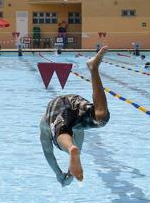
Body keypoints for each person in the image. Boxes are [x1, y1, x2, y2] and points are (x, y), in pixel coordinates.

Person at [39, 46, 110, 186]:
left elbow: (48, 152)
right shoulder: (78, 130)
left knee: (63, 133)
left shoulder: (44, 125)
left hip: (57, 105)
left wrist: (58, 174)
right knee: (101, 118)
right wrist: (70, 172)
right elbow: (75, 153)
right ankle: (93, 68)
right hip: (74, 100)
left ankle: (93, 67)